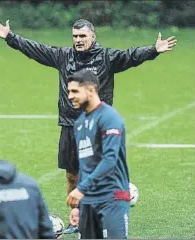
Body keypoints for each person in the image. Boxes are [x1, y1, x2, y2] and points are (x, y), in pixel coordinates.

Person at [0, 18, 177, 233]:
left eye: (82, 36)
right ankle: (78, 216)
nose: (78, 40)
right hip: (70, 125)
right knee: (72, 174)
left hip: (97, 125)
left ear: (93, 37)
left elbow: (131, 56)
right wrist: (11, 38)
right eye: (75, 36)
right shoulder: (63, 56)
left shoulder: (106, 58)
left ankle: (106, 210)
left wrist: (154, 50)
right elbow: (36, 49)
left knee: (101, 168)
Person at [66, 69, 130, 239]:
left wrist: (81, 189)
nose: (70, 96)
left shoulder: (109, 117)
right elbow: (85, 165)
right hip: (87, 202)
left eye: (74, 91)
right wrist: (78, 206)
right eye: (68, 91)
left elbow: (110, 160)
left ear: (91, 90)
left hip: (111, 199)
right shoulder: (79, 123)